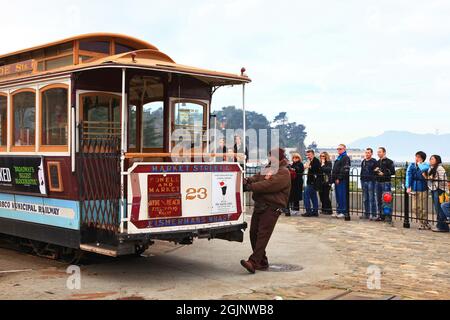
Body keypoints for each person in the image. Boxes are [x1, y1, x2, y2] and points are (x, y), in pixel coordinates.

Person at [240, 148, 291, 274]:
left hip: (272, 207)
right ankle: (262, 262)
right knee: (254, 233)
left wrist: (250, 187)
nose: (269, 158)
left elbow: (269, 185)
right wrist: (247, 180)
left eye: (272, 156)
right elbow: (258, 177)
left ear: (278, 157)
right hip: (260, 205)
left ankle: (253, 262)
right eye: (269, 156)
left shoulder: (284, 172)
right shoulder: (268, 168)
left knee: (263, 235)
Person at [406, 151, 430, 230]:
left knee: (422, 207)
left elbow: (424, 169)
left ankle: (424, 223)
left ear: (422, 158)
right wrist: (408, 186)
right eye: (416, 157)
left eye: (419, 157)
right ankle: (422, 222)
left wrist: (420, 164)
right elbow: (408, 176)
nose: (417, 159)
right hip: (414, 188)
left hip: (423, 188)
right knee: (414, 208)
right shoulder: (412, 165)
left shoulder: (426, 165)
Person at [424, 155, 449, 232]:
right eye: (430, 159)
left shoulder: (440, 168)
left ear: (437, 160)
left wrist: (430, 178)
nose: (430, 160)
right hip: (434, 189)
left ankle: (442, 226)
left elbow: (441, 179)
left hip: (440, 190)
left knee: (439, 208)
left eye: (432, 159)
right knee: (437, 208)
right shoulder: (431, 168)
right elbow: (429, 179)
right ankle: (442, 225)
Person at [373, 147, 396, 222]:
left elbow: (392, 172)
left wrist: (383, 173)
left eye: (380, 152)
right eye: (378, 152)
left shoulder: (389, 161)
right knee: (378, 200)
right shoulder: (377, 162)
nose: (378, 153)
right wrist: (375, 171)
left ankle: (387, 216)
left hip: (386, 182)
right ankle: (380, 215)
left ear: (384, 152)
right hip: (378, 182)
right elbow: (374, 171)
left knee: (387, 200)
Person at [331, 144, 351, 219]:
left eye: (340, 149)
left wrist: (339, 178)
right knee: (338, 196)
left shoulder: (345, 157)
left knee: (342, 196)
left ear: (344, 149)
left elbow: (344, 169)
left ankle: (343, 211)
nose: (339, 150)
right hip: (337, 180)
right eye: (338, 149)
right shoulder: (339, 157)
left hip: (342, 180)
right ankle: (339, 211)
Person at [302, 150, 321, 217]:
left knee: (305, 195)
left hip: (313, 181)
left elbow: (317, 169)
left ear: (313, 154)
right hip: (310, 181)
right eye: (307, 155)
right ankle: (315, 211)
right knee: (313, 196)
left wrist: (309, 166)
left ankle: (308, 211)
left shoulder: (316, 161)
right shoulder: (310, 161)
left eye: (309, 154)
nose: (308, 156)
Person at [360, 148, 378, 220]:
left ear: (371, 153)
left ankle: (373, 215)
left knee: (372, 198)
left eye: (368, 153)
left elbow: (376, 171)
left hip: (371, 181)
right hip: (363, 181)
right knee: (365, 198)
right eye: (366, 152)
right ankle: (366, 214)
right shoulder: (363, 161)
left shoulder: (374, 161)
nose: (367, 154)